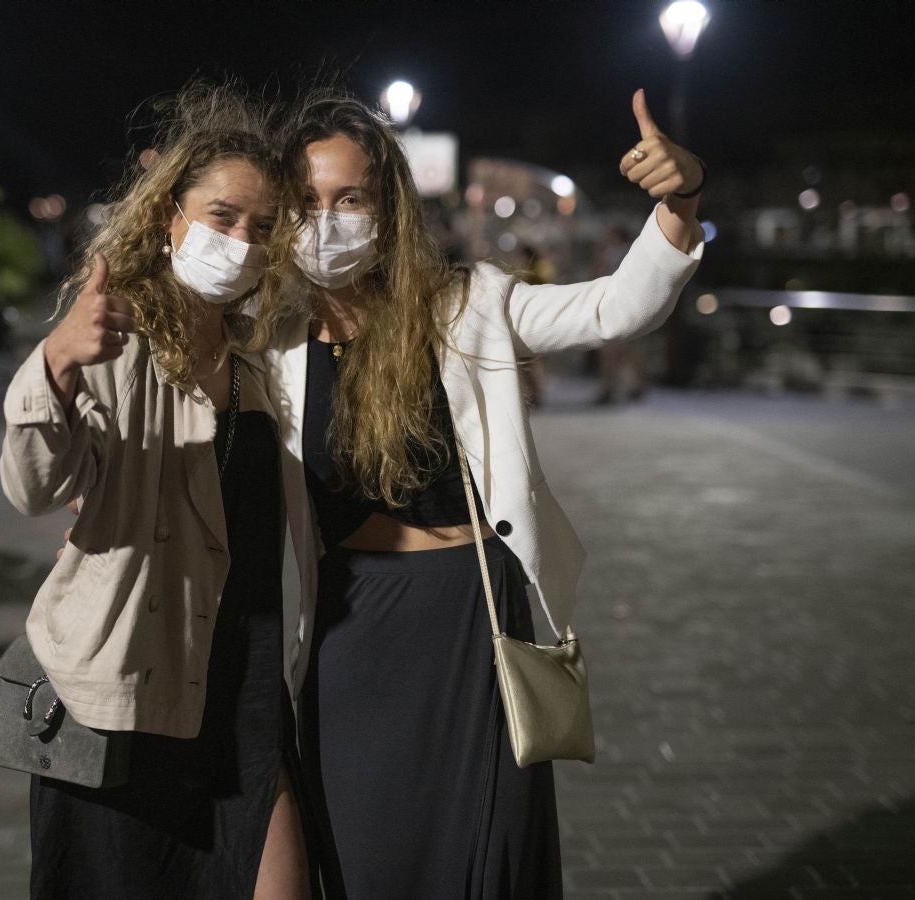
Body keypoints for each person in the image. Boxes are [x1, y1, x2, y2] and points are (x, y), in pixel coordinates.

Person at [254, 86, 705, 898]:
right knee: (364, 864)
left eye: (348, 197)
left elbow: (616, 306)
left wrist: (681, 200)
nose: (326, 220)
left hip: (470, 622)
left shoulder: (465, 306)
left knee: (480, 866)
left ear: (387, 207)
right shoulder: (273, 344)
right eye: (306, 201)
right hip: (347, 639)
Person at [0, 84, 310, 899]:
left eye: (262, 227)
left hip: (239, 681)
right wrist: (58, 366)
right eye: (221, 215)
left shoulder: (256, 362)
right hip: (123, 688)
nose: (241, 240)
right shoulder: (117, 336)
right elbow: (35, 487)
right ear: (172, 215)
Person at [591, 224, 647, 404]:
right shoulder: (630, 252)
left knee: (613, 350)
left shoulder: (615, 253)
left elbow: (600, 274)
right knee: (626, 350)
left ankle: (612, 388)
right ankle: (633, 386)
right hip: (628, 305)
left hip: (617, 305)